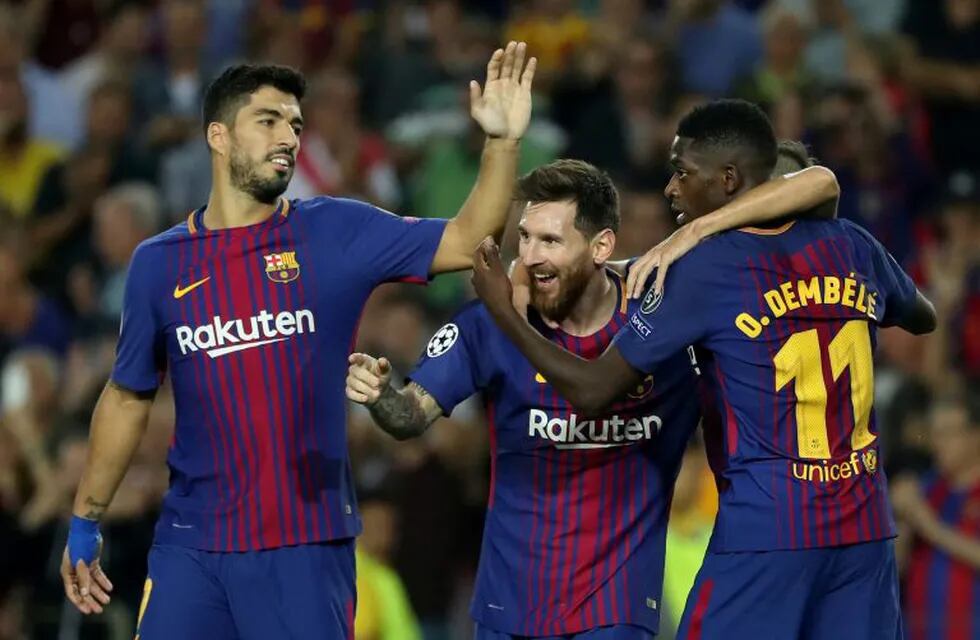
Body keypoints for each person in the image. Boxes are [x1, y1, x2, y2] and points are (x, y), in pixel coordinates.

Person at [60, 42, 537, 639]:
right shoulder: (158, 265)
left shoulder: (334, 231)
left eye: (295, 125)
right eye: (268, 121)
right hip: (191, 545)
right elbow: (128, 396)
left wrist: (502, 142)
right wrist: (86, 519)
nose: (288, 136)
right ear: (218, 136)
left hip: (304, 544)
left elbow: (468, 242)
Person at [471, 99, 937, 639]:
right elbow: (921, 316)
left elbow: (594, 389)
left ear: (730, 180)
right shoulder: (854, 246)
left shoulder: (704, 268)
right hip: (865, 529)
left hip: (768, 531)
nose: (671, 188)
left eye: (682, 172)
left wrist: (505, 313)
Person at [346, 149, 843, 639]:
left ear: (601, 246)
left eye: (551, 240)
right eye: (525, 238)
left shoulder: (667, 319)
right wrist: (377, 394)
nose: (531, 256)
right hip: (510, 607)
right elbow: (410, 415)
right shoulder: (489, 326)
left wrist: (695, 230)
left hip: (615, 607)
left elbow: (816, 185)